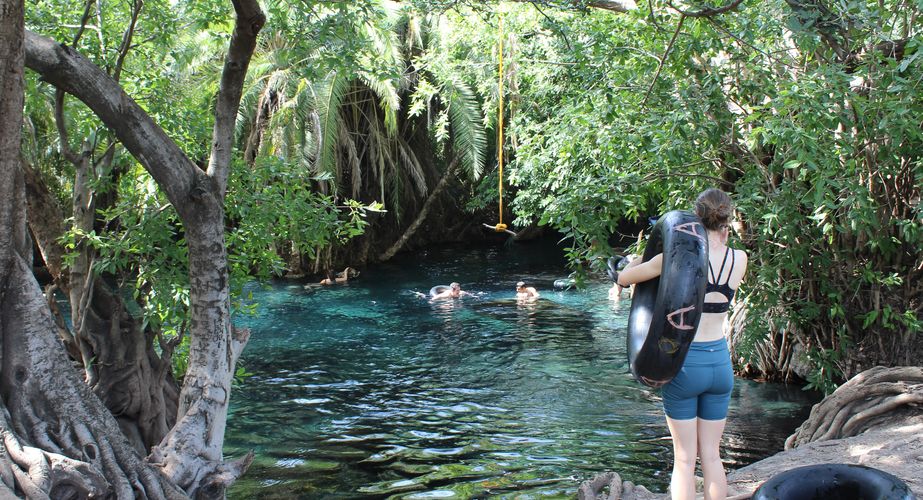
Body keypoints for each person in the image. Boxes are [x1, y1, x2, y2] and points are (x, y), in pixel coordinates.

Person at [615, 188, 748, 500]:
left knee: (685, 460)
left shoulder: (672, 259)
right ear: (727, 219)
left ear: (695, 219)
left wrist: (635, 261)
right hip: (720, 364)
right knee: (713, 457)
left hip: (685, 365)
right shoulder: (739, 259)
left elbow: (624, 278)